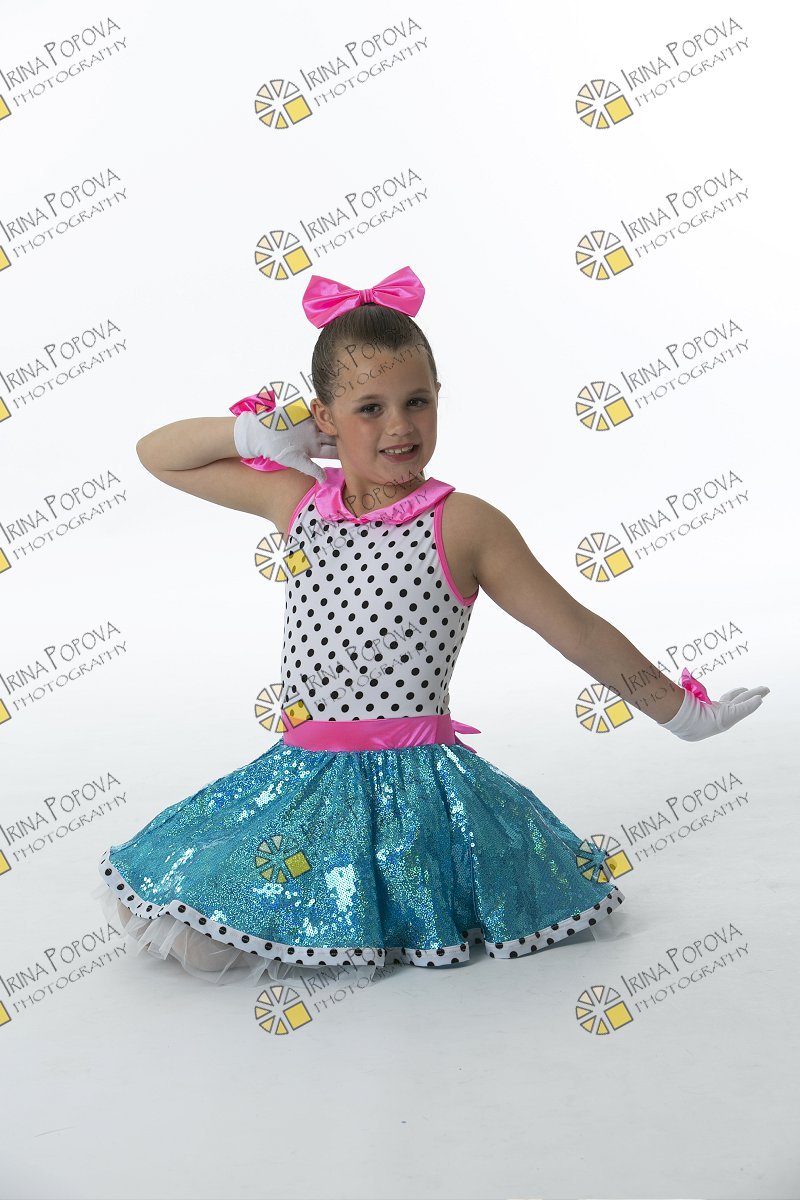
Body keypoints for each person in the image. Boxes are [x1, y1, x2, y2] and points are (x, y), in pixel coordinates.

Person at [93, 265, 770, 988]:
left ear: (439, 398)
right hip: (305, 777)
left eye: (417, 402)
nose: (399, 426)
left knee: (294, 930)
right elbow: (157, 455)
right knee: (177, 923)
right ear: (324, 418)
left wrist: (680, 713)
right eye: (369, 408)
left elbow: (574, 628)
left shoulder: (465, 523)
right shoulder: (297, 502)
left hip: (420, 789)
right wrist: (256, 432)